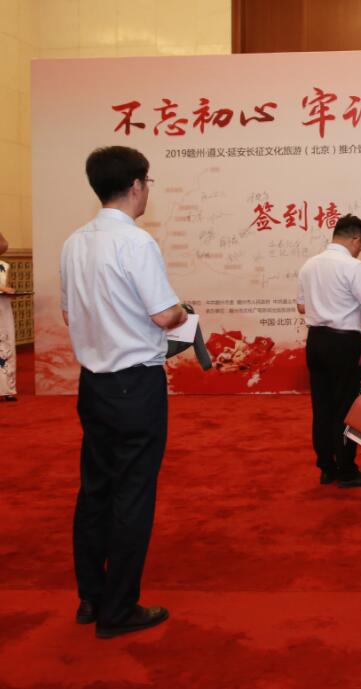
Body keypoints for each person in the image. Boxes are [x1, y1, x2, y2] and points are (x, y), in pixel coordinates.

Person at [61, 146, 188, 639]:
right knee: (133, 494)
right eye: (147, 183)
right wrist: (182, 312)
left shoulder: (74, 242)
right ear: (136, 185)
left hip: (93, 384)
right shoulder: (136, 243)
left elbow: (69, 314)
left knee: (95, 489)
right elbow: (164, 314)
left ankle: (91, 597)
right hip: (136, 384)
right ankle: (119, 609)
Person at [296, 214, 361, 488]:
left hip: (316, 341)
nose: (360, 250)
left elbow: (301, 307)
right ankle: (346, 470)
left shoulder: (309, 265)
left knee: (322, 407)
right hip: (344, 343)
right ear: (355, 239)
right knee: (346, 406)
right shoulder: (353, 267)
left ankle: (326, 467)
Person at [0, 229, 15, 399]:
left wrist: (9, 292)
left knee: (6, 343)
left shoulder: (5, 265)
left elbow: (6, 285)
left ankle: (7, 388)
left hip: (3, 307)